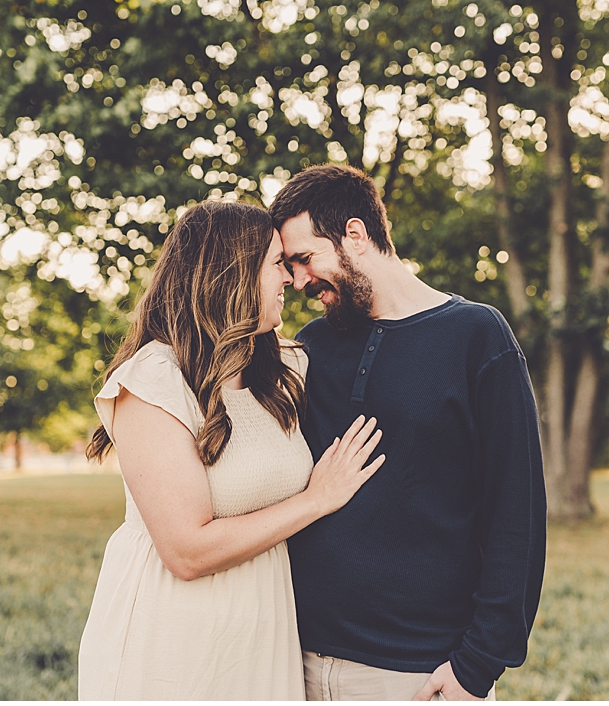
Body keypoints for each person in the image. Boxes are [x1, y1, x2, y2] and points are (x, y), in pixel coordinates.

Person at [78, 200, 385, 700]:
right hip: (173, 635)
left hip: (263, 629)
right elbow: (186, 551)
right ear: (232, 275)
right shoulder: (154, 379)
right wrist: (316, 499)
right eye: (276, 265)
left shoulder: (280, 370)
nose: (290, 278)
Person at [268, 165, 547, 701]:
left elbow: (517, 513)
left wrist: (477, 666)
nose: (298, 281)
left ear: (355, 234)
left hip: (416, 673)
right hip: (293, 660)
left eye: (305, 259)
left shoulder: (476, 337)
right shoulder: (311, 347)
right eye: (289, 266)